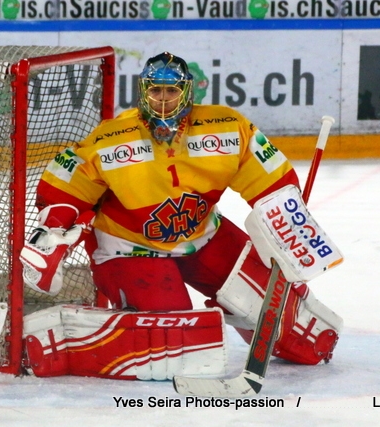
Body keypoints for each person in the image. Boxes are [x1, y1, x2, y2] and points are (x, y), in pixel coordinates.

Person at [20, 52, 342, 379]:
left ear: (186, 92)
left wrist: (286, 225)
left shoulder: (227, 128)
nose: (163, 100)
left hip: (203, 237)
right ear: (143, 92)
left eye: (171, 91)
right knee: (178, 343)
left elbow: (271, 181)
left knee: (303, 338)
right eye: (155, 91)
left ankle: (248, 318)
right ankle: (70, 346)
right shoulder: (112, 138)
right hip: (130, 249)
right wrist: (52, 234)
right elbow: (66, 186)